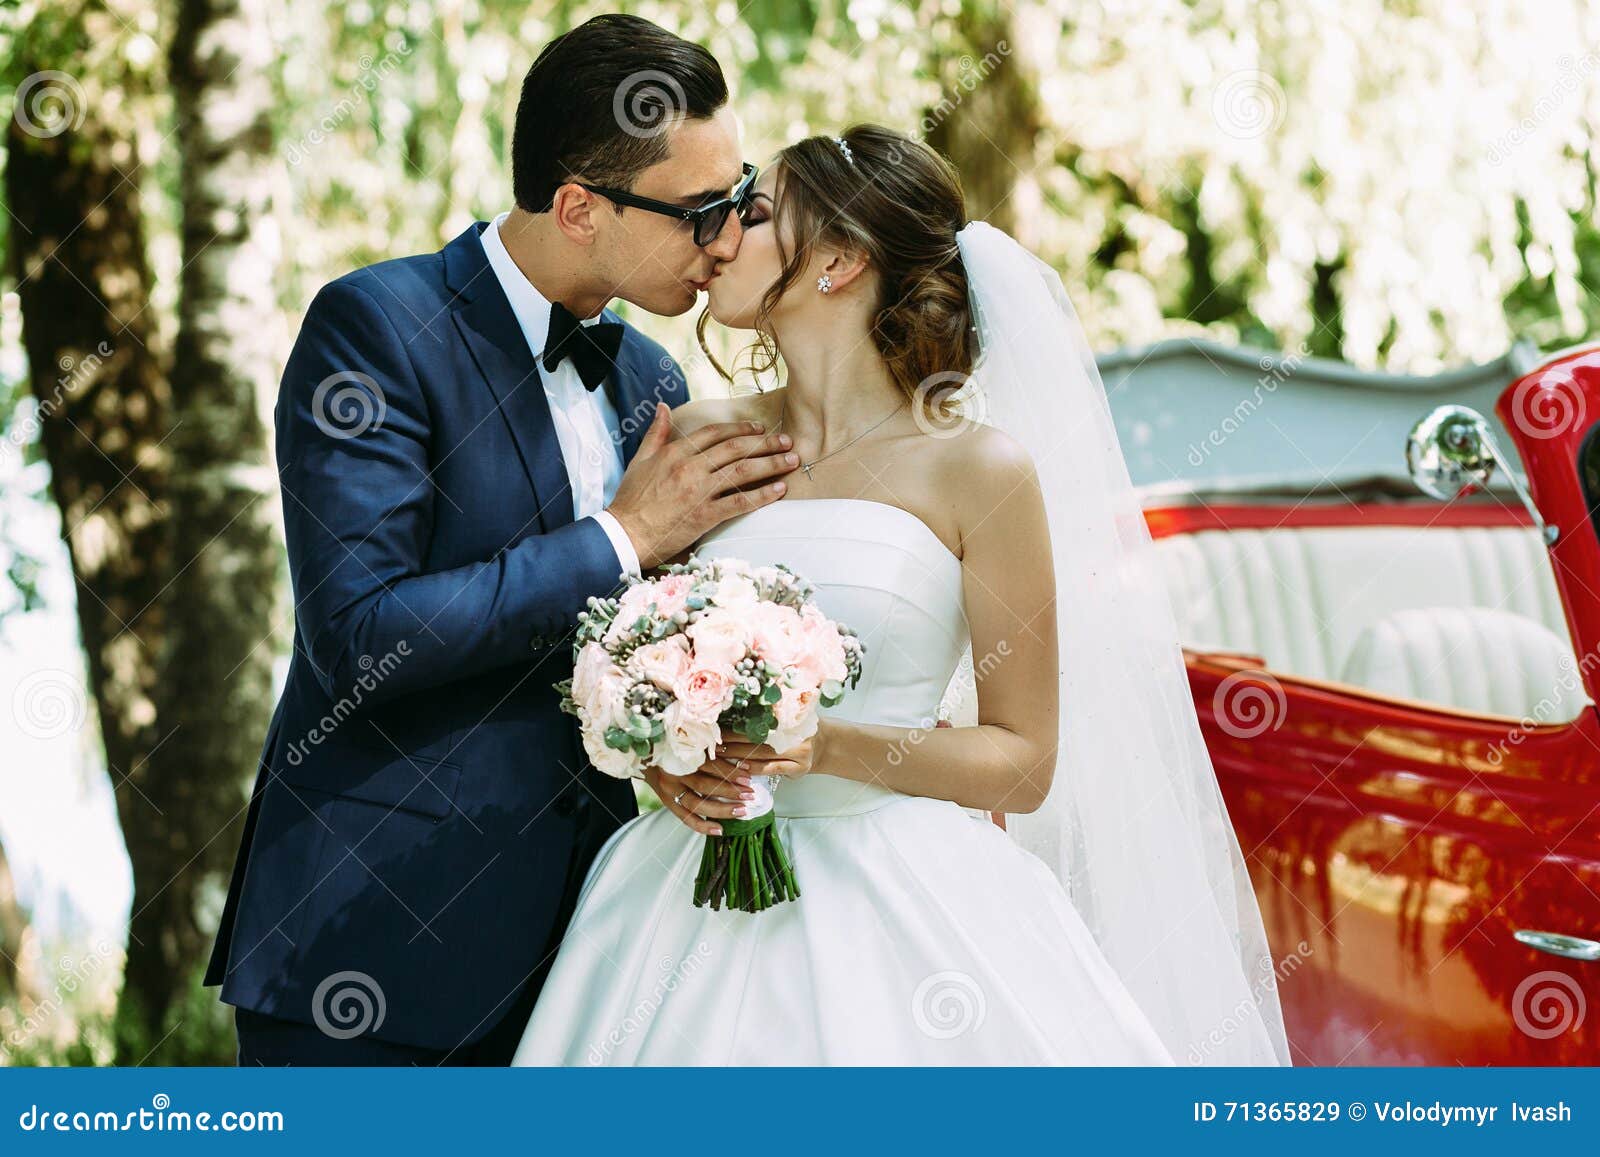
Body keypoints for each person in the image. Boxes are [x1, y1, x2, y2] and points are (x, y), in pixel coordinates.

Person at [511, 125, 1292, 1065]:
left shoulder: (979, 469)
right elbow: (642, 650)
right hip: (685, 893)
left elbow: (1023, 759)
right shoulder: (699, 440)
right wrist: (663, 758)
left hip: (906, 895)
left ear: (838, 260)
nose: (716, 240)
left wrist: (831, 744)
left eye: (752, 216)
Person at [205, 14, 800, 1065]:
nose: (722, 241)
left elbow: (631, 650)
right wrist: (624, 534)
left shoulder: (652, 381)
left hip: (594, 958)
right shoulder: (377, 327)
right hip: (376, 943)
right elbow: (360, 629)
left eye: (734, 197)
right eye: (699, 211)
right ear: (577, 205)